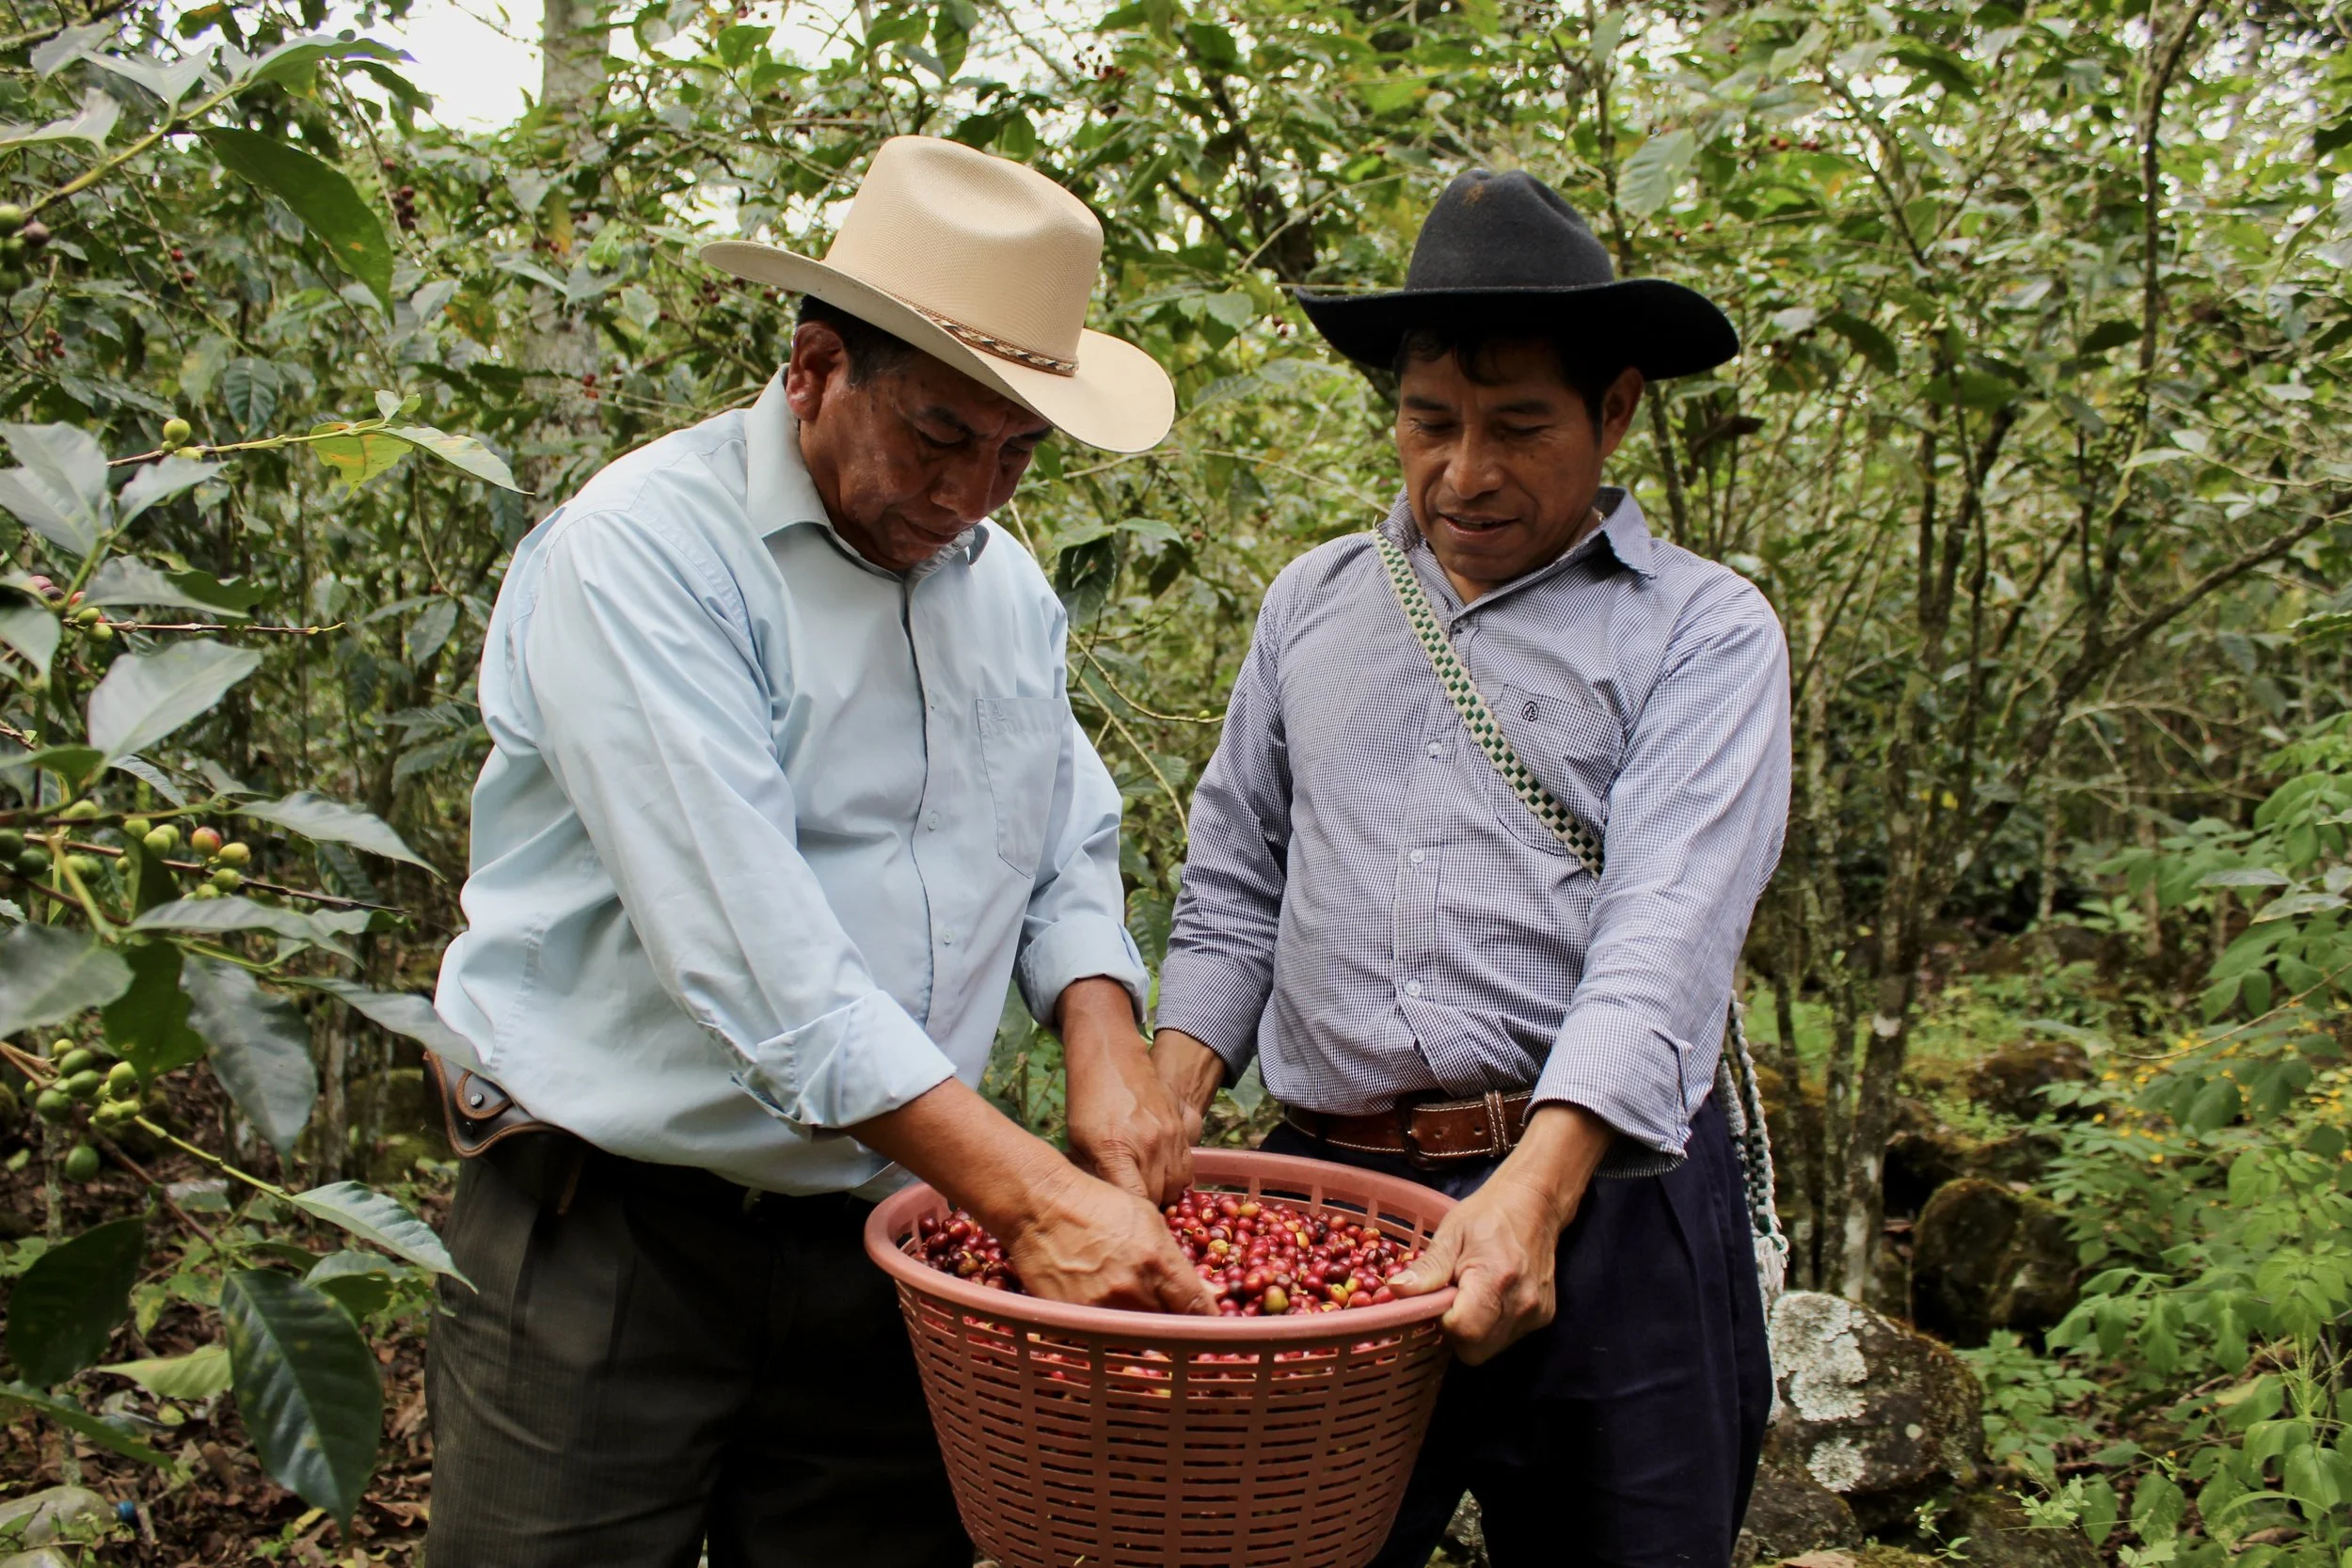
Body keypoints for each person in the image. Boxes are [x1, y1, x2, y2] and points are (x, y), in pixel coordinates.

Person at [423, 135, 1214, 1568]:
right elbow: (756, 953)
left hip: (891, 1234)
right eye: (937, 436)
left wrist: (1102, 1031)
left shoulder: (1002, 587)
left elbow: (1058, 829)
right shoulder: (646, 556)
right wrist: (1037, 1196)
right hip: (612, 1233)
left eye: (1017, 453)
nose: (973, 492)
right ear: (811, 369)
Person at [1147, 168, 1792, 1566]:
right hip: (1335, 1193)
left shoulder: (1702, 633)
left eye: (1518, 428)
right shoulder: (1313, 606)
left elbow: (1665, 932)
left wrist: (1537, 1187)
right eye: (1430, 424)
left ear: (1615, 412)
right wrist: (1171, 1100)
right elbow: (1235, 882)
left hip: (1607, 1200)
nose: (1464, 473)